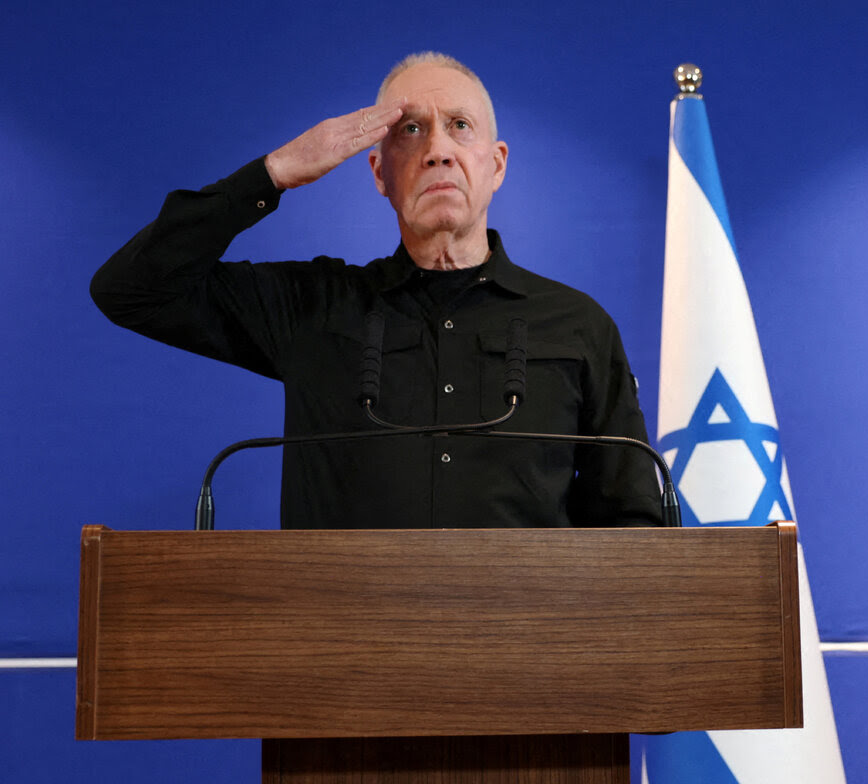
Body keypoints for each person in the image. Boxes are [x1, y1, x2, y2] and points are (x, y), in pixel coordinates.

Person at [91, 52, 662, 529]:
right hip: (346, 652)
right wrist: (275, 173)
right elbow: (132, 290)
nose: (438, 149)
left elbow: (634, 519)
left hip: (525, 648)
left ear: (497, 164)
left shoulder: (578, 325)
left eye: (460, 126)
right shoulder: (312, 307)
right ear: (378, 173)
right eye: (410, 130)